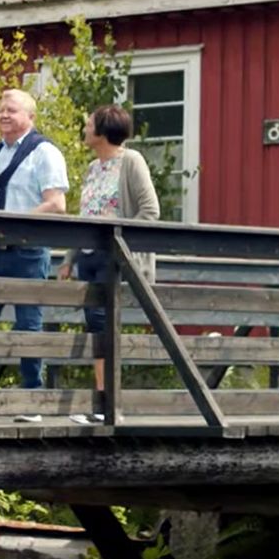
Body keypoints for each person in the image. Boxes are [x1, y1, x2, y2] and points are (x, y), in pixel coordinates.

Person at [0, 89, 68, 390]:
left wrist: (16, 226)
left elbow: (57, 204)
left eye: (12, 110)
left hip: (28, 250)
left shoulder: (45, 152)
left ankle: (32, 391)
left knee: (28, 323)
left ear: (30, 117)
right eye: (1, 110)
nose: (4, 115)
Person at [58, 104, 161, 388]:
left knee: (105, 325)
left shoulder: (131, 161)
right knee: (94, 324)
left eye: (90, 124)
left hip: (114, 256)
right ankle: (103, 396)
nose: (85, 129)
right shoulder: (93, 167)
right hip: (88, 257)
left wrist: (120, 242)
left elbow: (150, 210)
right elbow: (86, 214)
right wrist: (69, 258)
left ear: (103, 131)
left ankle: (108, 399)